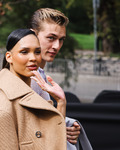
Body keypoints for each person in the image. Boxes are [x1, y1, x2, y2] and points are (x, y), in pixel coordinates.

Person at [0, 29, 67, 149]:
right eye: (24, 52)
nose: (33, 58)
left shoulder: (30, 96)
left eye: (37, 52)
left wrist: (61, 102)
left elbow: (50, 142)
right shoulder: (3, 111)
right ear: (9, 57)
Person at [30, 8, 92, 149]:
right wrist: (61, 104)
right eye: (51, 38)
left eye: (61, 40)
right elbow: (28, 129)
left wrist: (67, 125)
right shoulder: (30, 76)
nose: (57, 46)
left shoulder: (39, 73)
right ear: (33, 35)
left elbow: (41, 121)